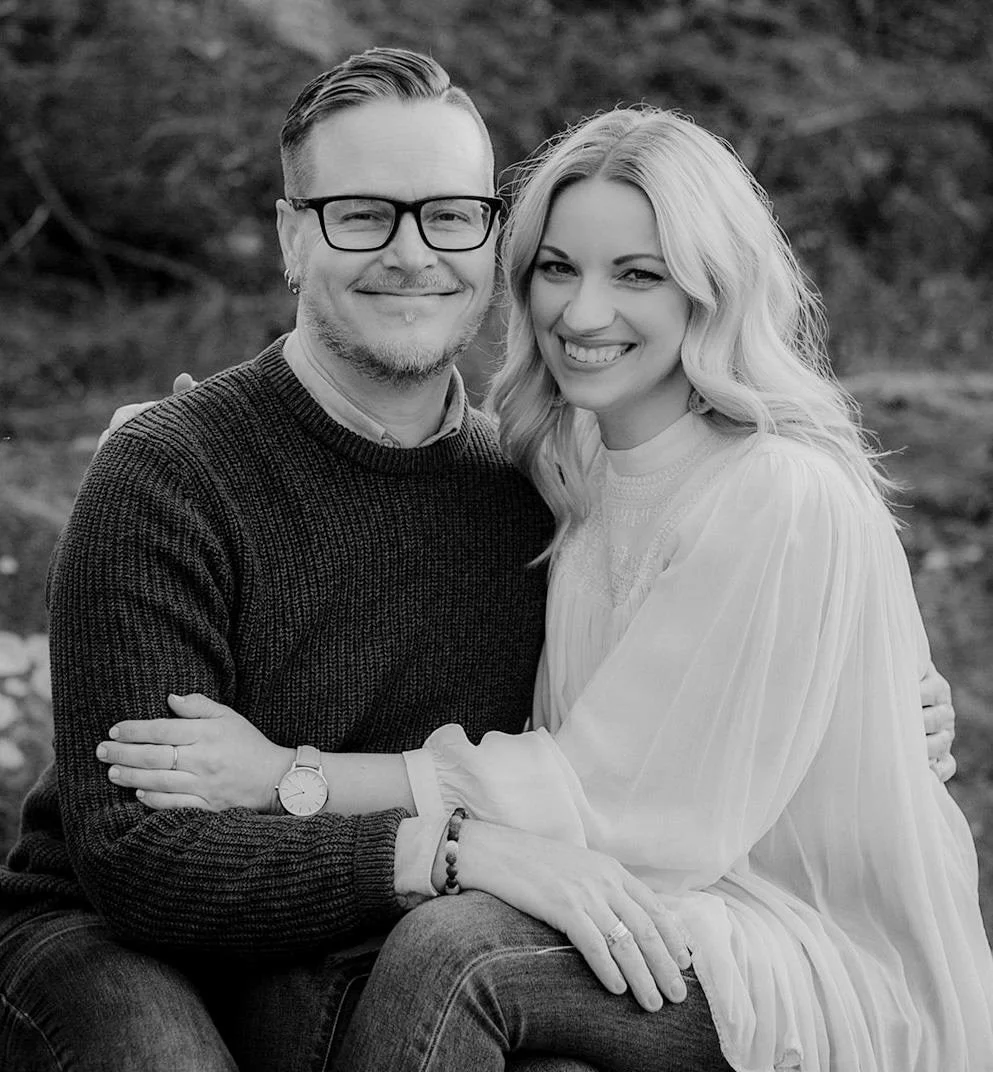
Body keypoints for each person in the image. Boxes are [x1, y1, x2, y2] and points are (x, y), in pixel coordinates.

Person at [0, 47, 957, 1072]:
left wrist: (872, 697)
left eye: (449, 214)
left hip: (365, 934)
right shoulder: (169, 473)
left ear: (490, 239)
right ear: (290, 236)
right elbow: (141, 861)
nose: (412, 254)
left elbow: (689, 654)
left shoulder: (533, 482)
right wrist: (450, 847)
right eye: (362, 213)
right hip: (123, 937)